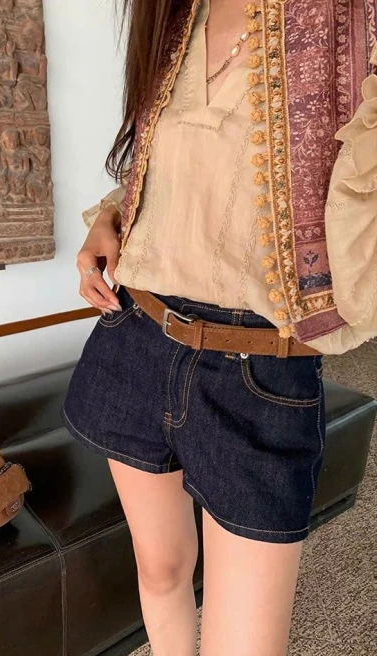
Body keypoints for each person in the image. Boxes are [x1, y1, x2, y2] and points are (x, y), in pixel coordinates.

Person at [63, 1, 377, 655]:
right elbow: (174, 171)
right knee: (161, 570)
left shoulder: (353, 18)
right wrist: (109, 220)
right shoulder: (173, 15)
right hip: (137, 333)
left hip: (261, 368)